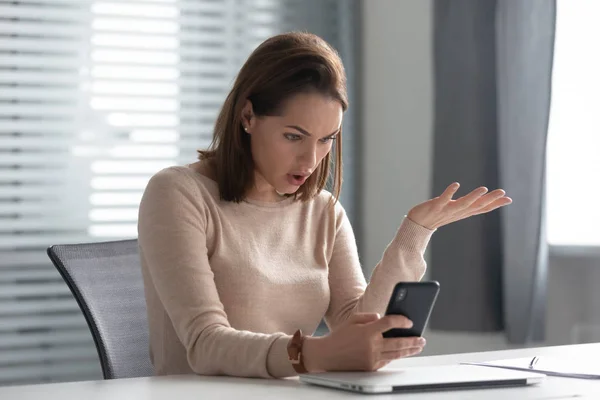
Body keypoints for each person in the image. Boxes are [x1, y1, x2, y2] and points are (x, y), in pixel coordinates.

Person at [137, 32, 512, 379]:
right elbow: (205, 344)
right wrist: (309, 355)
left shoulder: (323, 211)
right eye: (293, 136)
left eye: (326, 140)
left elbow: (354, 329)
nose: (310, 160)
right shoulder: (178, 194)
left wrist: (413, 236)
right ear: (247, 117)